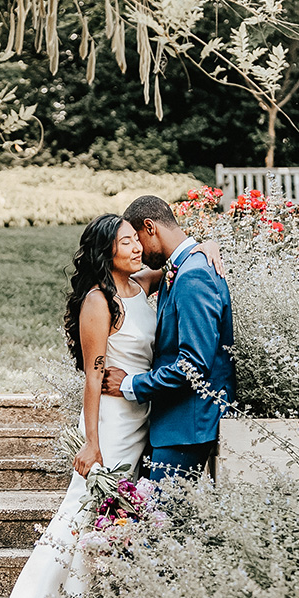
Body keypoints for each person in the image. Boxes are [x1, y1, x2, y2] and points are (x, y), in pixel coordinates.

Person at [0, 213, 223, 598]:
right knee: (83, 517)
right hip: (111, 423)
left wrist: (206, 246)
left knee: (115, 524)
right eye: (126, 243)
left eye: (137, 240)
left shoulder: (141, 284)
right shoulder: (98, 301)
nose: (137, 248)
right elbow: (93, 378)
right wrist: (90, 442)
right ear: (106, 252)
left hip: (143, 416)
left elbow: (179, 259)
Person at [103, 195, 235, 482]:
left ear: (150, 227)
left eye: (137, 239)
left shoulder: (193, 275)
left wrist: (129, 384)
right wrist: (207, 243)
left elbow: (193, 366)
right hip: (172, 424)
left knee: (161, 510)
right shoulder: (180, 268)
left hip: (187, 425)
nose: (138, 250)